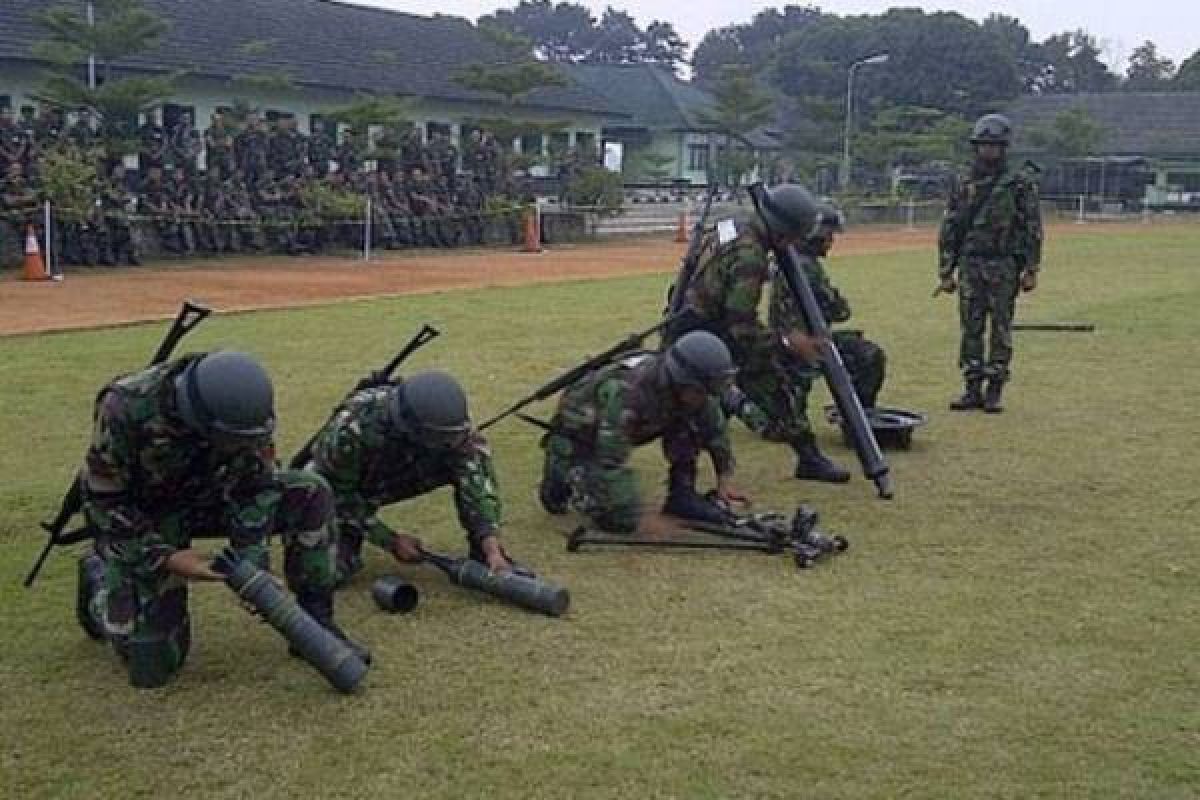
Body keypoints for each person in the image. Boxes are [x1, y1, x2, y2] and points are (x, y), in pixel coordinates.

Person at [74, 351, 368, 687]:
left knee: (310, 489)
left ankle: (317, 620)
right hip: (150, 517)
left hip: (211, 499)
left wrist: (252, 563)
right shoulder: (125, 406)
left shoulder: (246, 411)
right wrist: (165, 557)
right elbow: (103, 503)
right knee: (156, 658)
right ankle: (98, 581)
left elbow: (256, 488)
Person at [668, 183, 850, 483]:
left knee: (769, 387)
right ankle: (685, 480)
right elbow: (742, 328)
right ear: (783, 231)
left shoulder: (734, 225)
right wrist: (787, 342)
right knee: (691, 406)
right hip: (706, 334)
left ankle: (808, 457)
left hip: (689, 321)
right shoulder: (750, 256)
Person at [302, 370, 521, 585]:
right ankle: (345, 532)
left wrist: (490, 543)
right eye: (437, 439)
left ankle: (482, 552)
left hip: (397, 470)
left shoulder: (448, 428)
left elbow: (477, 479)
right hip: (344, 489)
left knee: (465, 461)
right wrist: (391, 540)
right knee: (329, 573)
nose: (445, 443)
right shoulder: (352, 429)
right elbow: (338, 495)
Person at [537, 331, 747, 534]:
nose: (705, 397)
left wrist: (724, 482)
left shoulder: (694, 392)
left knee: (688, 425)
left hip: (633, 426)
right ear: (680, 380)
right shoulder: (627, 393)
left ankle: (682, 494)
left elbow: (715, 430)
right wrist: (642, 519)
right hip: (581, 434)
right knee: (617, 518)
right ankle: (560, 474)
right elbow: (610, 462)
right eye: (700, 391)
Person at [937, 113, 1044, 413]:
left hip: (1004, 264)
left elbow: (1032, 228)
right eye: (983, 145)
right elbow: (951, 227)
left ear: (1004, 147)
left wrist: (1031, 269)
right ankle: (972, 386)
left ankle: (995, 387)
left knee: (1000, 328)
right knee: (971, 328)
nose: (989, 151)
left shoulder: (1019, 183)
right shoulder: (963, 181)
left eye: (994, 145)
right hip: (971, 264)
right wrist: (946, 270)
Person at [767, 202, 887, 420]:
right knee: (870, 356)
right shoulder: (805, 266)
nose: (831, 241)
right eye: (830, 235)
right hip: (798, 347)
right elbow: (839, 310)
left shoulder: (791, 259)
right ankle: (858, 415)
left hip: (788, 342)